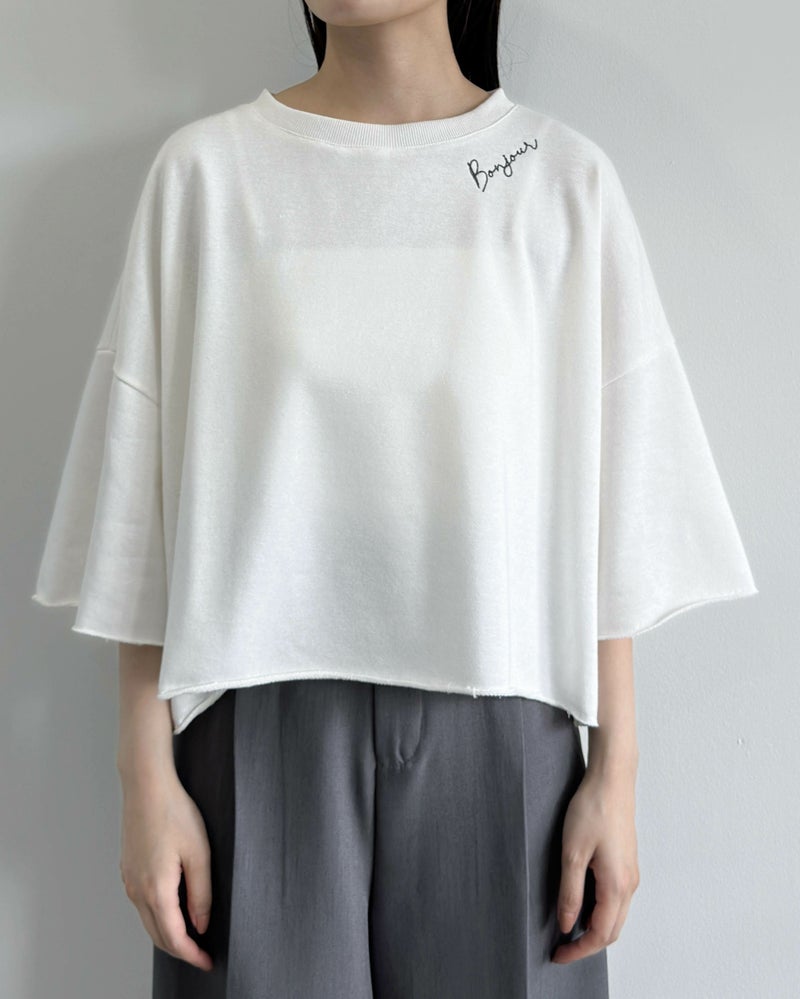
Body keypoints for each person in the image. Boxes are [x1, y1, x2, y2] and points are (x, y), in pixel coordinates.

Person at [31, 1, 759, 996]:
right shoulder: (207, 176)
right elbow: (141, 504)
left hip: (508, 724)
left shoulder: (559, 179)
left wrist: (615, 771)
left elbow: (613, 501)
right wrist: (144, 775)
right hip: (252, 722)